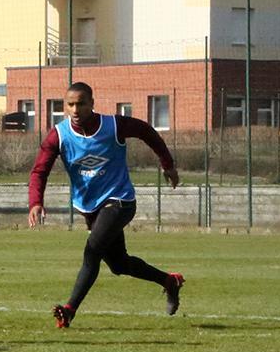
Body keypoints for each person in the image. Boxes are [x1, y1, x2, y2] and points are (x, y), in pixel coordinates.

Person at [27, 81, 184, 328]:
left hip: (120, 200)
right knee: (119, 264)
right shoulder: (59, 135)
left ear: (92, 103)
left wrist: (168, 164)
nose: (75, 110)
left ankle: (69, 310)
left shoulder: (113, 125)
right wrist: (35, 202)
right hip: (90, 207)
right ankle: (168, 281)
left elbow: (147, 132)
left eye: (81, 104)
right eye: (70, 105)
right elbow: (39, 171)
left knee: (92, 252)